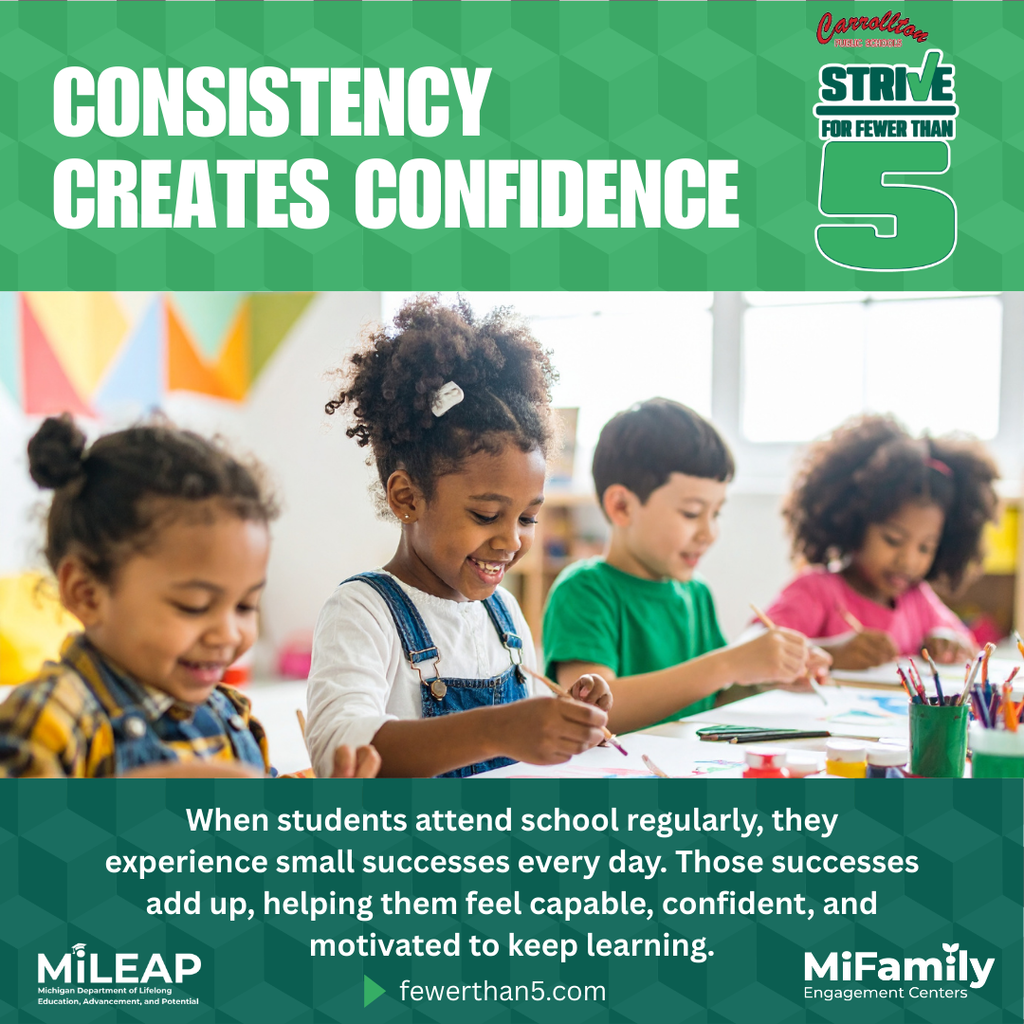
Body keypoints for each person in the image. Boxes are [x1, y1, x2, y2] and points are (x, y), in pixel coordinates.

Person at [305, 296, 611, 779]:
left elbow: (518, 750)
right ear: (406, 497)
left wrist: (563, 719)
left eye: (527, 519)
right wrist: (499, 729)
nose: (511, 541)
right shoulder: (362, 612)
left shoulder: (504, 613)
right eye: (486, 514)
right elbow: (337, 749)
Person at [0, 415, 378, 779]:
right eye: (194, 606)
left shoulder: (230, 713)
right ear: (86, 594)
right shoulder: (50, 720)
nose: (230, 634)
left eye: (245, 606)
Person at [542, 398, 829, 735]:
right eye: (692, 513)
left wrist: (769, 678)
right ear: (622, 506)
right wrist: (729, 663)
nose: (709, 533)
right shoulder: (583, 592)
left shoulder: (696, 593)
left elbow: (711, 698)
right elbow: (594, 712)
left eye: (716, 513)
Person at [763, 414, 999, 670]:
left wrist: (950, 642)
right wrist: (829, 653)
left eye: (925, 548)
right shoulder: (816, 590)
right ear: (854, 523)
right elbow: (755, 649)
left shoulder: (918, 600)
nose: (908, 560)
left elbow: (968, 647)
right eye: (893, 540)